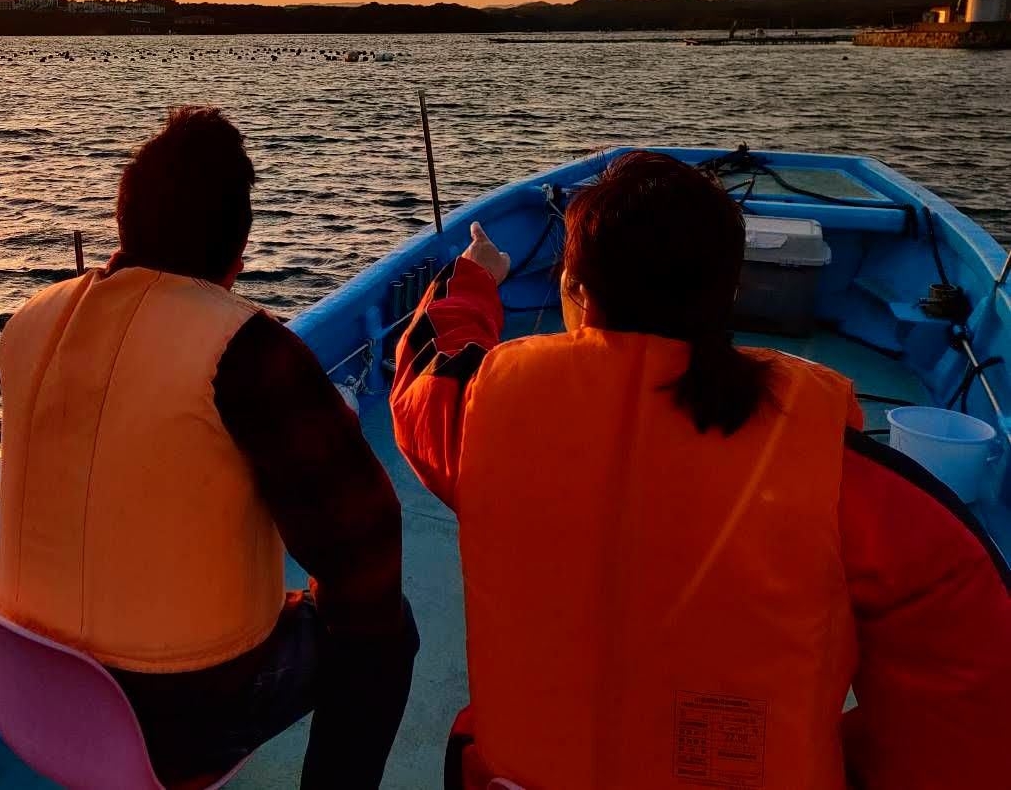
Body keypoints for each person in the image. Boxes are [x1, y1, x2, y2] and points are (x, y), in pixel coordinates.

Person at [392, 150, 1011, 790]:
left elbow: (425, 371)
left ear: (576, 287)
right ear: (730, 292)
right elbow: (973, 686)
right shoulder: (846, 480)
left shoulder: (479, 422)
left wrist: (475, 280)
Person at [0, 106, 418, 788]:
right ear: (236, 256)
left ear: (122, 221)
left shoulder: (27, 322)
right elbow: (366, 547)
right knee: (385, 635)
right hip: (178, 714)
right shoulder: (247, 350)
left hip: (26, 684)